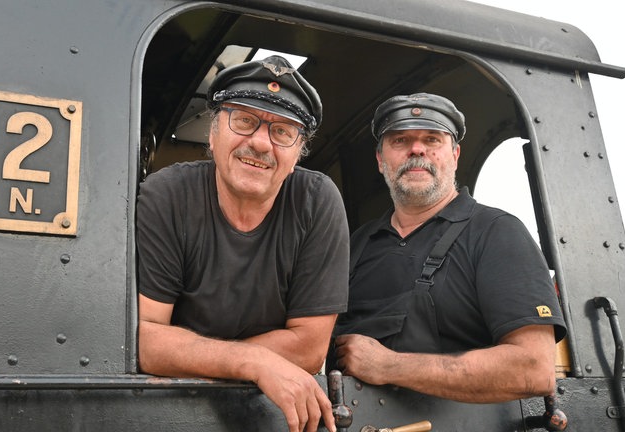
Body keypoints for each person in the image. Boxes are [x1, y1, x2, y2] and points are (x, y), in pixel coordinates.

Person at [136, 55, 349, 432]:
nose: (261, 144)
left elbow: (309, 347)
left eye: (283, 131)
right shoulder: (166, 194)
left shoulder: (317, 200)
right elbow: (147, 339)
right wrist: (253, 362)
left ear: (298, 152)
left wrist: (194, 353)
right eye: (245, 121)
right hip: (170, 411)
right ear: (213, 133)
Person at [331, 93, 567, 403]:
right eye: (400, 141)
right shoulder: (354, 245)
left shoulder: (496, 232)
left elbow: (533, 370)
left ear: (455, 155)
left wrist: (389, 365)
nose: (417, 149)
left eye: (432, 139)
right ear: (380, 159)